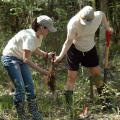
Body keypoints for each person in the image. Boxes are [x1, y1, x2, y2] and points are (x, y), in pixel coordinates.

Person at [54, 6, 113, 110]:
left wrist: (107, 27)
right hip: (75, 49)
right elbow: (68, 42)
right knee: (71, 77)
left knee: (96, 75)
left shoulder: (98, 15)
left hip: (90, 48)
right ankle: (69, 107)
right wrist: (60, 57)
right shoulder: (73, 24)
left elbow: (103, 14)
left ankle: (105, 102)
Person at [1, 15, 57, 120]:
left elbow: (34, 48)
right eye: (48, 29)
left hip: (20, 58)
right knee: (20, 87)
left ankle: (33, 111)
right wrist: (43, 71)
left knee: (30, 85)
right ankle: (21, 114)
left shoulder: (38, 36)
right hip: (10, 58)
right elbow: (26, 59)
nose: (48, 32)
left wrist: (46, 55)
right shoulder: (30, 36)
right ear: (41, 27)